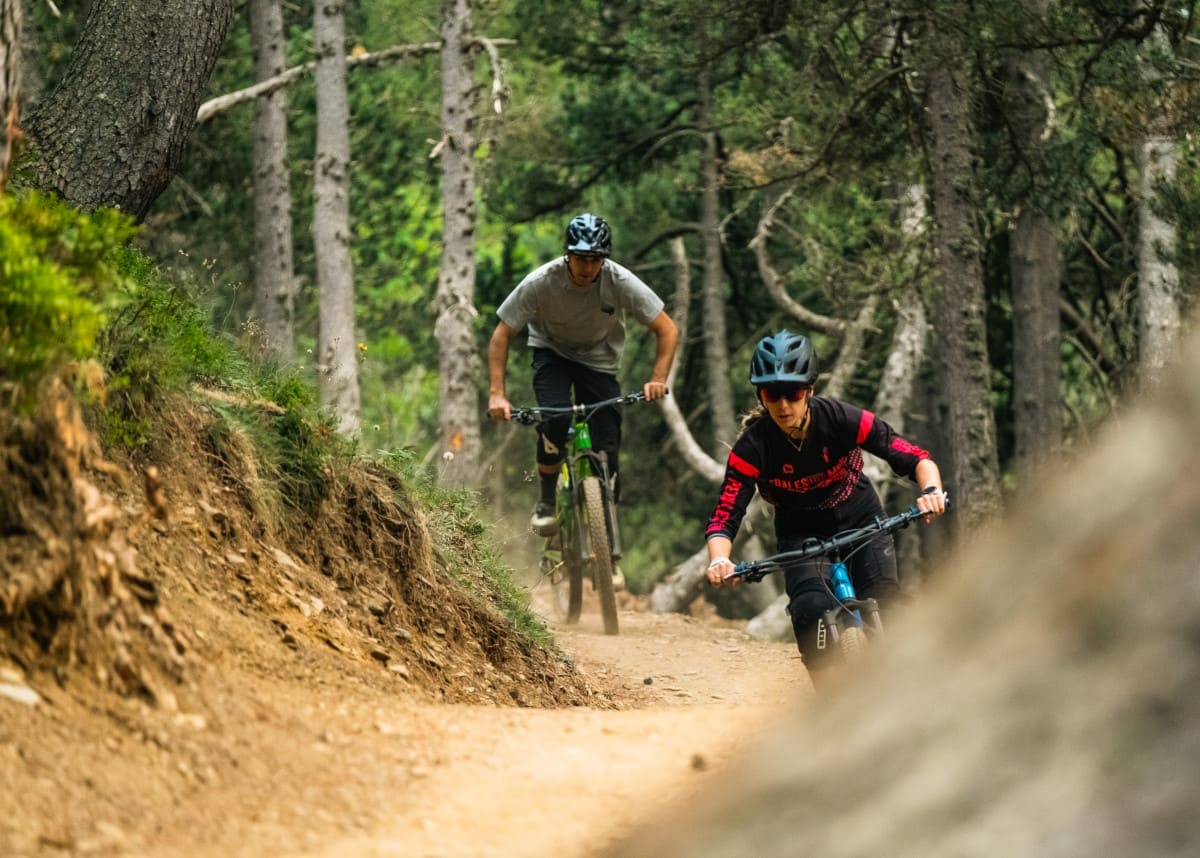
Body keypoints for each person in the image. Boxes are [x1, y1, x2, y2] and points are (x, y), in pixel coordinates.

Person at [704, 329, 947, 678]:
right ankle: (825, 700)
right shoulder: (752, 448)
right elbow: (725, 516)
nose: (784, 405)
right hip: (801, 536)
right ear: (761, 394)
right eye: (773, 394)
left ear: (810, 390)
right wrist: (720, 560)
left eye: (793, 392)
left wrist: (931, 492)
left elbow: (914, 458)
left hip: (862, 521)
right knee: (809, 611)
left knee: (889, 606)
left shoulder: (842, 419)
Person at [487, 212, 678, 544]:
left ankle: (609, 545)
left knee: (609, 443)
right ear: (567, 254)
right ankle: (547, 501)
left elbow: (667, 329)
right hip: (552, 354)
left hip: (599, 360)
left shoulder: (619, 281)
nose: (588, 267)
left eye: (596, 259)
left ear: (604, 259)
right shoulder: (541, 282)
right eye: (581, 258)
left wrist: (657, 378)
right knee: (555, 420)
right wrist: (497, 394)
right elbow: (502, 335)